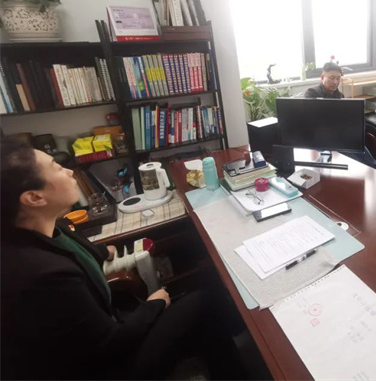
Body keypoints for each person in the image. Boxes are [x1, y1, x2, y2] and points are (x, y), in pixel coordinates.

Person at [0, 139, 242, 380]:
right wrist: (154, 305)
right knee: (204, 303)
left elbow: (76, 249)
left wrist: (103, 252)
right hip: (106, 367)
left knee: (204, 323)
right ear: (34, 198)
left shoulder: (46, 228)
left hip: (107, 331)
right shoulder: (44, 275)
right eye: (56, 167)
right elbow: (111, 343)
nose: (70, 172)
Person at [303, 62, 376, 172]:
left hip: (337, 135)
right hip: (317, 137)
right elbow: (310, 120)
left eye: (338, 78)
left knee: (356, 143)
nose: (335, 82)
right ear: (322, 77)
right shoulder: (311, 93)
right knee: (347, 147)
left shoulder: (339, 95)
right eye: (332, 78)